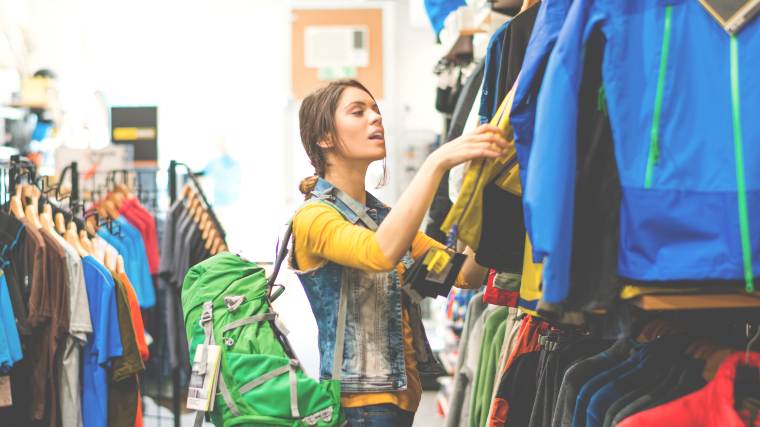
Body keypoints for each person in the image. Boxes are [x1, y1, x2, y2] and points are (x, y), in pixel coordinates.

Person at [290, 79, 509, 426]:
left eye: (375, 110)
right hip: (359, 407)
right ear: (324, 137)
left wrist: (486, 201)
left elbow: (466, 274)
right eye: (357, 112)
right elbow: (379, 253)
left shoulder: (383, 218)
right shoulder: (313, 217)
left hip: (400, 402)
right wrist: (435, 163)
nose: (375, 119)